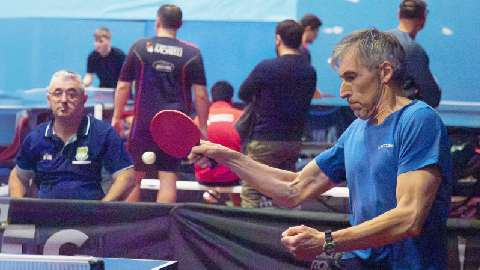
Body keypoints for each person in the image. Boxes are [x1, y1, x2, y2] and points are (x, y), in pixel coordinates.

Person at [189, 29, 452, 269]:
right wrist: (226, 156)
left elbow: (409, 217)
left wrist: (327, 241)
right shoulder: (356, 131)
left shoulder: (418, 120)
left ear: (384, 72)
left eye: (351, 77)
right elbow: (295, 188)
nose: (343, 91)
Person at [112, 4, 209, 203]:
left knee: (134, 178)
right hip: (174, 126)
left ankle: (130, 227)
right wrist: (203, 128)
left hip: (143, 125)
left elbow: (123, 87)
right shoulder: (192, 53)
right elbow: (200, 95)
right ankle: (163, 228)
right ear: (180, 24)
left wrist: (116, 117)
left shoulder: (139, 47)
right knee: (168, 179)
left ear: (157, 21)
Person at [9, 70, 135, 201]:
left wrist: (101, 210)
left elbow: (127, 178)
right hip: (47, 217)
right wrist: (18, 208)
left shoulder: (104, 134)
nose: (64, 100)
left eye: (72, 94)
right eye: (57, 94)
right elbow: (18, 177)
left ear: (84, 99)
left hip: (90, 218)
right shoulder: (36, 137)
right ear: (49, 100)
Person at [238, 20, 317, 208]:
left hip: (264, 138)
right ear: (300, 40)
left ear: (278, 39)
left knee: (252, 189)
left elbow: (243, 93)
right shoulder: (309, 71)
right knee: (285, 189)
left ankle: (250, 233)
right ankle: (283, 232)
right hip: (293, 140)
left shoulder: (266, 67)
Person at [193, 81, 243, 206]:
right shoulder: (241, 116)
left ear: (211, 99)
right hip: (232, 177)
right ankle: (240, 216)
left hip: (204, 177)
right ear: (231, 99)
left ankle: (213, 193)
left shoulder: (198, 118)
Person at [388, 0, 441, 108]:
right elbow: (432, 96)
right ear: (423, 19)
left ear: (399, 14)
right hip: (400, 116)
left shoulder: (378, 41)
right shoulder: (414, 50)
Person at [300, 14, 323, 99]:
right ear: (308, 29)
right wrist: (313, 90)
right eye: (316, 32)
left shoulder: (302, 49)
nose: (316, 36)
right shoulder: (300, 50)